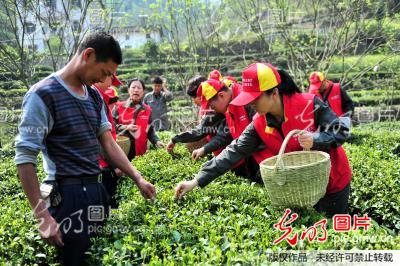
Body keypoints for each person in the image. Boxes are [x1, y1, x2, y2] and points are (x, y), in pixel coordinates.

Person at [14, 32, 156, 265]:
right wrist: (42, 217)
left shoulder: (94, 97)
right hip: (66, 196)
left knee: (98, 256)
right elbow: (25, 158)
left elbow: (108, 143)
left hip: (96, 191)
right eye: (105, 72)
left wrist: (138, 178)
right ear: (88, 55)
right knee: (74, 259)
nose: (104, 79)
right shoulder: (42, 94)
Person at [175, 62, 352, 217]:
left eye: (255, 98)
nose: (250, 104)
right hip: (301, 188)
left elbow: (341, 129)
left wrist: (316, 139)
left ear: (274, 93)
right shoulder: (259, 122)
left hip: (333, 182)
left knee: (333, 231)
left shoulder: (309, 103)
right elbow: (234, 150)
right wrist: (196, 181)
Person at [189, 77, 269, 183]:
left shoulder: (246, 102)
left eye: (212, 107)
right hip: (251, 160)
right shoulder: (228, 107)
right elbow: (227, 135)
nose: (213, 110)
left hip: (266, 162)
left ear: (221, 96)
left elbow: (254, 139)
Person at [166, 75, 228, 158]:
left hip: (225, 154)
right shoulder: (211, 106)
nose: (194, 100)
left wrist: (176, 139)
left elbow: (200, 132)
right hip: (220, 152)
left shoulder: (215, 109)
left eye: (195, 97)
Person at [113, 78, 164, 161]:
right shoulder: (118, 107)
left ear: (143, 91)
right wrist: (126, 127)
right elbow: (111, 127)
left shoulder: (147, 110)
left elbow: (150, 131)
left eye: (139, 88)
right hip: (122, 155)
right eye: (133, 87)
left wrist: (156, 141)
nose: (136, 90)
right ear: (128, 90)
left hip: (140, 155)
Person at [93, 74, 124, 209]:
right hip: (103, 165)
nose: (110, 85)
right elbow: (102, 140)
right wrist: (116, 164)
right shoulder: (96, 100)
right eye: (111, 80)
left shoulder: (99, 100)